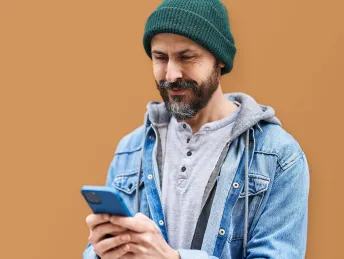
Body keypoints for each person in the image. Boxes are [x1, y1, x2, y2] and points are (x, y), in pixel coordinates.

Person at [83, 0, 310, 258]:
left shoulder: (279, 157)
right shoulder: (130, 149)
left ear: (219, 61)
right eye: (160, 57)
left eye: (187, 57)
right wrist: (101, 250)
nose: (171, 74)